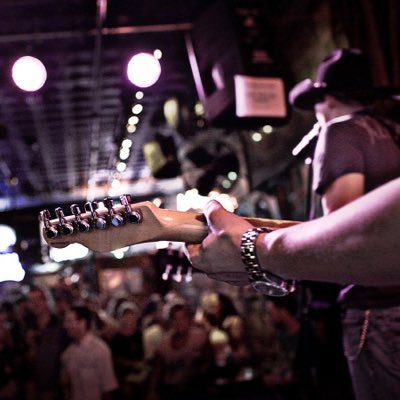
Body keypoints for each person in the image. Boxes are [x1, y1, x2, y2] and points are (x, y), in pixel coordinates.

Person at [186, 48, 400, 400]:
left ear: (326, 98)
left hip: (375, 311)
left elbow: (341, 240)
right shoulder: (390, 130)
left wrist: (256, 251)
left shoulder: (340, 133)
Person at [61, 305, 118, 400]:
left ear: (82, 323)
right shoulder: (68, 353)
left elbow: (108, 387)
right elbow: (67, 386)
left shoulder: (100, 349)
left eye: (69, 321)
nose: (65, 325)